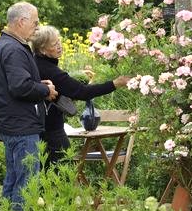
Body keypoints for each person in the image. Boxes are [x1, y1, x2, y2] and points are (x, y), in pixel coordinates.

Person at [0, 2, 58, 211]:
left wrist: (38, 84)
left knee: (13, 179)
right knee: (27, 182)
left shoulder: (4, 45)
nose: (36, 29)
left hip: (11, 123)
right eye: (35, 23)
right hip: (21, 126)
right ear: (21, 22)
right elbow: (20, 86)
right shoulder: (13, 49)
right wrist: (45, 90)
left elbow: (16, 84)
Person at [31, 25, 130, 166]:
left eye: (59, 41)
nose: (59, 46)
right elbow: (84, 92)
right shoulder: (50, 71)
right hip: (51, 132)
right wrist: (116, 83)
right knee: (62, 173)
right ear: (42, 50)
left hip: (38, 130)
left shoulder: (35, 63)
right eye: (54, 44)